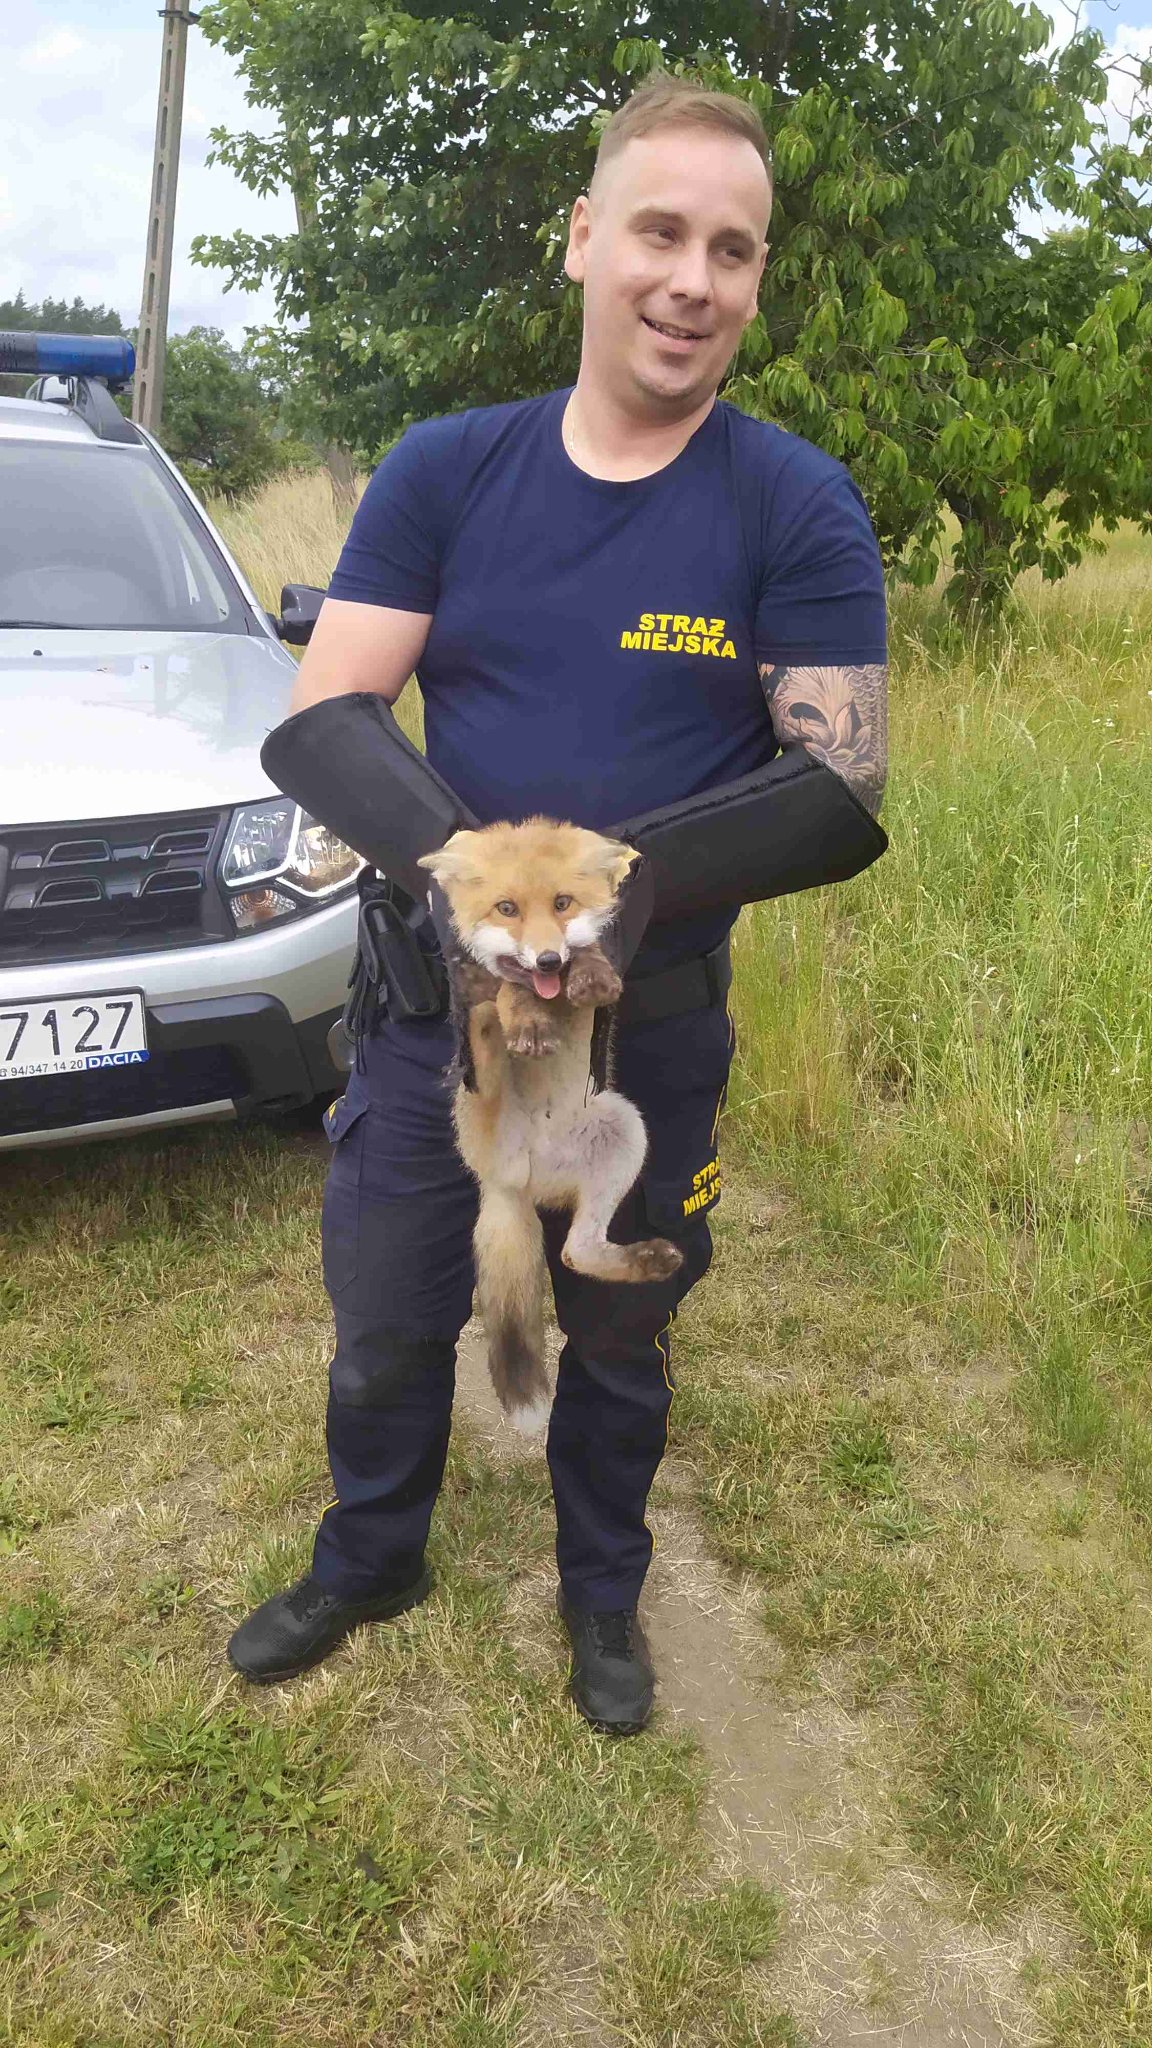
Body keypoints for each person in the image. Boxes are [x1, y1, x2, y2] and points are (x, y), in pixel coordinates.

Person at [227, 72, 888, 1734]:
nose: (692, 280)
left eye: (732, 250)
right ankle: (371, 1555)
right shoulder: (450, 469)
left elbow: (838, 788)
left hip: (644, 1038)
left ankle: (603, 1594)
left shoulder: (793, 501)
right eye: (660, 232)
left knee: (620, 1327)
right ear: (586, 238)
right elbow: (327, 717)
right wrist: (487, 904)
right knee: (390, 1323)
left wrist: (615, 910)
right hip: (435, 1028)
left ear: (756, 279)